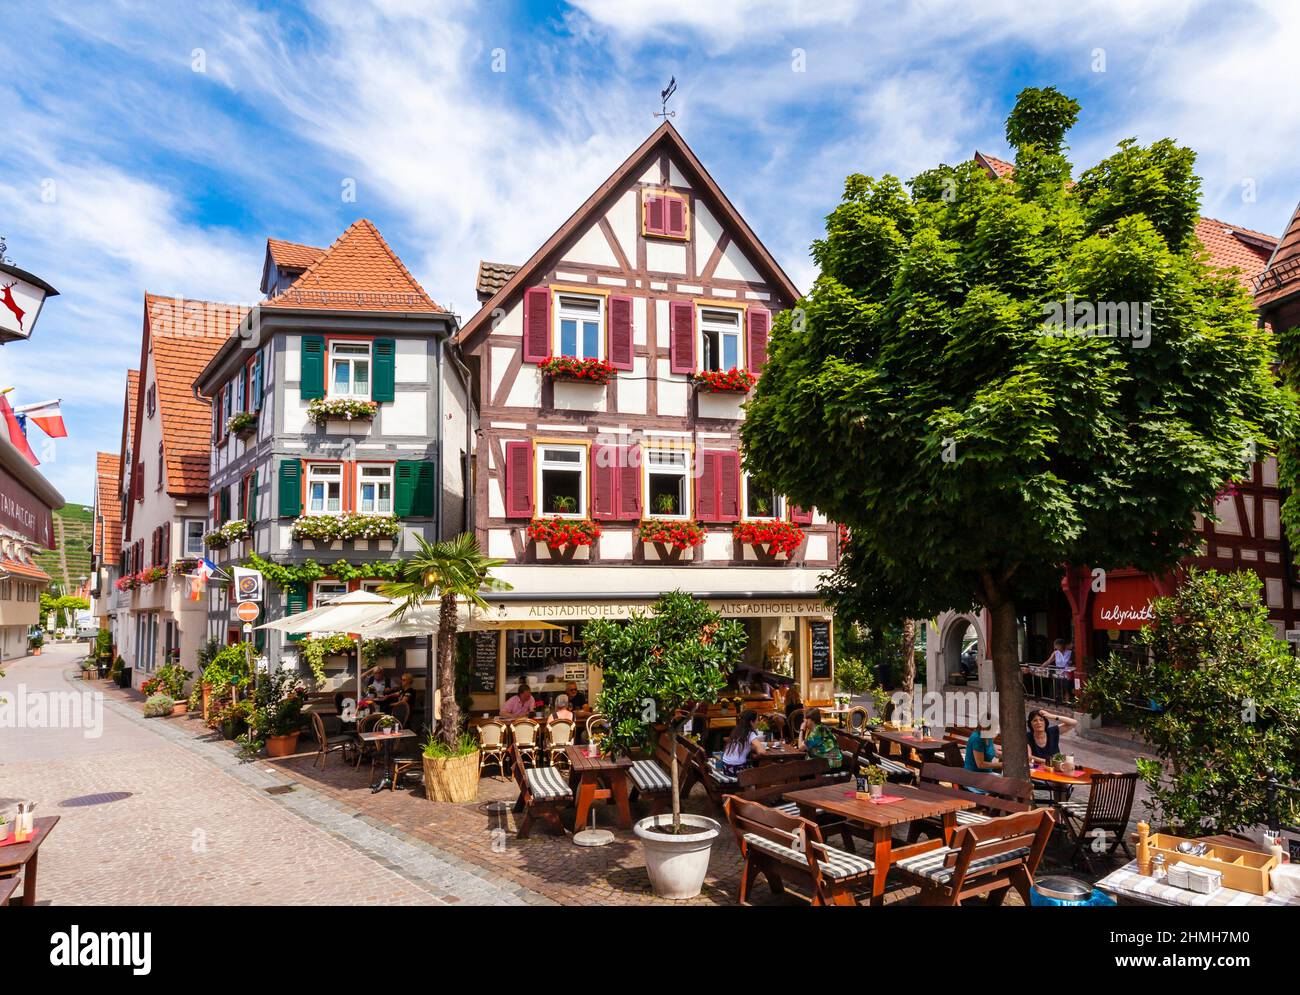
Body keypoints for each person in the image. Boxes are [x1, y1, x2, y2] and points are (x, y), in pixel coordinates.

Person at [719, 709, 769, 776]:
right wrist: (756, 756)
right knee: (760, 771)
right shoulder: (750, 734)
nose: (758, 722)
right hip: (736, 769)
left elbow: (743, 745)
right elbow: (762, 751)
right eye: (757, 720)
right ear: (751, 722)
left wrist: (752, 748)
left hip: (726, 767)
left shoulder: (737, 730)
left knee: (749, 762)